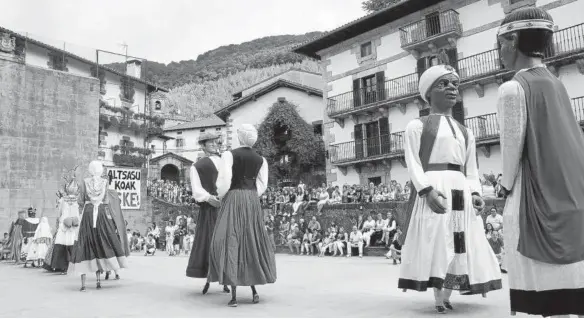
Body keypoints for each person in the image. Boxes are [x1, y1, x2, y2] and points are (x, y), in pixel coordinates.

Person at [496, 7, 584, 317]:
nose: (500, 53)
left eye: (500, 45)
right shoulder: (557, 83)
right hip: (572, 198)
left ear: (513, 41)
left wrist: (503, 186)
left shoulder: (512, 88)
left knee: (549, 303)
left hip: (534, 201)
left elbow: (511, 152)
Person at [397, 64, 502, 314]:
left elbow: (471, 168)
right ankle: (436, 297)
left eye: (454, 84)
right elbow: (413, 162)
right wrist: (426, 190)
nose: (452, 88)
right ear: (429, 93)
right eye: (443, 84)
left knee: (459, 242)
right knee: (436, 240)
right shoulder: (417, 126)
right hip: (435, 189)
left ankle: (447, 294)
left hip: (460, 190)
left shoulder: (466, 131)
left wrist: (476, 192)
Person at [208, 124, 277, 307]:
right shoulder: (261, 159)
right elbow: (262, 185)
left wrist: (222, 195)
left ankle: (234, 293)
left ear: (240, 138)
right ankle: (253, 288)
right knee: (251, 239)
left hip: (233, 197)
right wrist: (252, 195)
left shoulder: (229, 155)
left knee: (229, 239)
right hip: (252, 200)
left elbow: (224, 180)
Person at [69, 160, 130, 292]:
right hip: (101, 212)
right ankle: (100, 277)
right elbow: (106, 200)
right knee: (103, 238)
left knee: (85, 241)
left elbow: (81, 200)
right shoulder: (104, 182)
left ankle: (84, 282)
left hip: (88, 211)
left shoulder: (85, 182)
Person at [185, 132, 230, 294]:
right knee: (210, 242)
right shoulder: (197, 166)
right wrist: (210, 198)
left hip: (228, 207)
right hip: (210, 209)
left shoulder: (226, 160)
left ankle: (228, 276)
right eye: (208, 142)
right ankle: (211, 275)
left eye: (214, 141)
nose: (213, 144)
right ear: (202, 146)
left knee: (229, 242)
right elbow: (196, 189)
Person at [44, 177, 81, 274]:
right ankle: (75, 266)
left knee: (62, 246)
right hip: (74, 226)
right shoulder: (77, 200)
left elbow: (59, 212)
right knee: (73, 245)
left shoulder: (63, 200)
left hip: (64, 226)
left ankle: (62, 266)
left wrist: (61, 221)